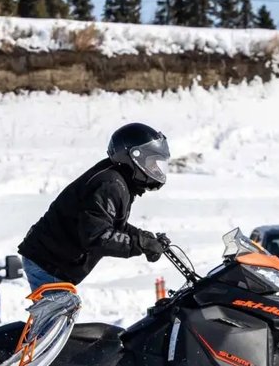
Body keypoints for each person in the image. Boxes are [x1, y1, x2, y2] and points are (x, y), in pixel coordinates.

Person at [18, 123, 170, 289]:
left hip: (53, 261)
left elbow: (109, 224)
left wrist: (144, 238)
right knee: (58, 313)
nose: (156, 169)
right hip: (48, 263)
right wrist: (139, 243)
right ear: (134, 157)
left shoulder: (119, 181)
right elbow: (98, 236)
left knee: (64, 312)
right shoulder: (110, 185)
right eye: (152, 163)